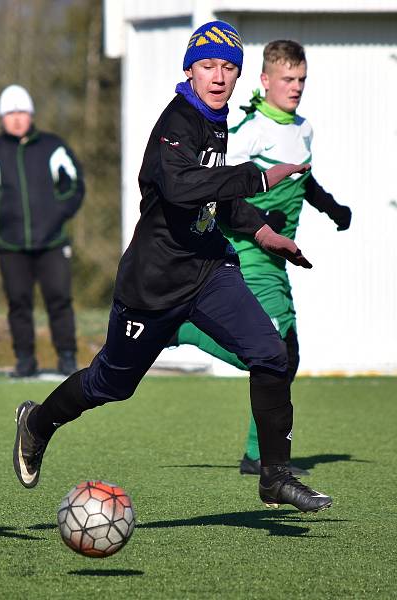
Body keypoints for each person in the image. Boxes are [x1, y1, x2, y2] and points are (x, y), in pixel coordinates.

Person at [12, 21, 333, 513]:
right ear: (189, 69)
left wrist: (265, 234)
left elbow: (215, 202)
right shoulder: (178, 121)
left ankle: (273, 476)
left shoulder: (217, 116)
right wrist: (259, 178)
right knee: (109, 385)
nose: (219, 76)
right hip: (154, 284)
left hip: (208, 271)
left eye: (228, 67)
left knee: (272, 355)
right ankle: (37, 423)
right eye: (208, 65)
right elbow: (183, 188)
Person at [174, 40, 351, 477]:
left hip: (278, 259)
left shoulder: (304, 129)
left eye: (302, 79)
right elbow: (218, 189)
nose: (296, 87)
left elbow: (304, 182)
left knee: (285, 354)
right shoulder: (248, 131)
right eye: (288, 79)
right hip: (250, 251)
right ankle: (183, 329)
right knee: (269, 353)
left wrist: (331, 208)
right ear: (265, 80)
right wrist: (259, 218)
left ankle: (257, 454)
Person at [0, 85, 84, 377]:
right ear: (2, 117)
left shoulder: (53, 146)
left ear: (31, 115)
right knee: (18, 304)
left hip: (52, 242)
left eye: (22, 112)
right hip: (10, 244)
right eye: (11, 113)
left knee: (60, 300)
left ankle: (67, 358)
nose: (17, 119)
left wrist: (58, 215)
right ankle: (25, 361)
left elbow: (75, 186)